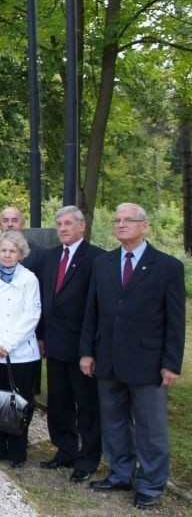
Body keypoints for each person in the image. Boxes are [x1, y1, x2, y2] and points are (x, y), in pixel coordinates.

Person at [80, 203, 185, 510]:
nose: (121, 224)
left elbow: (175, 321)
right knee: (113, 421)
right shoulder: (104, 263)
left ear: (144, 226)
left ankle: (151, 483)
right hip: (107, 357)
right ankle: (120, 472)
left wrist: (171, 364)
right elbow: (92, 312)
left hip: (148, 361)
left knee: (151, 427)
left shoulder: (167, 267)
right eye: (117, 220)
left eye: (128, 220)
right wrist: (87, 351)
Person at [38, 206, 104, 482]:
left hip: (81, 345)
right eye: (59, 224)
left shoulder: (97, 258)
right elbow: (44, 300)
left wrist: (89, 349)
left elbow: (96, 306)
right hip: (54, 343)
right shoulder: (52, 257)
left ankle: (87, 459)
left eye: (68, 224)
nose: (62, 229)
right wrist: (41, 335)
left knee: (87, 405)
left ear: (81, 227)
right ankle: (64, 450)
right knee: (59, 402)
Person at [0, 231, 41, 467]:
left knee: (19, 402)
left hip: (20, 353)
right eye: (4, 250)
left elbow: (31, 315)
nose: (8, 255)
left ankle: (16, 452)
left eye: (13, 251)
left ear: (20, 254)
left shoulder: (30, 279)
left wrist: (9, 344)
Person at [0, 207, 46, 278]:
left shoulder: (40, 254)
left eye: (15, 220)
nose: (10, 224)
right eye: (5, 221)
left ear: (23, 224)